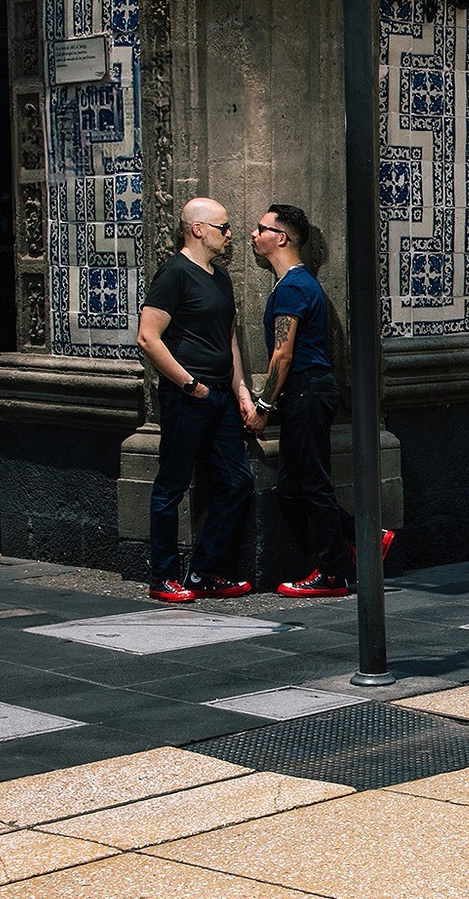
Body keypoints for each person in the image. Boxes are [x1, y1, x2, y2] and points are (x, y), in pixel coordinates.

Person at [248, 205, 390, 596]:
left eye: (261, 228)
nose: (253, 234)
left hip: (307, 390)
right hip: (306, 391)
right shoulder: (296, 283)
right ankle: (364, 536)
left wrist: (262, 407)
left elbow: (283, 353)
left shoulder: (293, 286)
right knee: (293, 485)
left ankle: (333, 573)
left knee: (313, 482)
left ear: (282, 238)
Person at [136, 198, 257, 603]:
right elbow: (148, 338)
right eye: (223, 227)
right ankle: (163, 576)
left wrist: (241, 390)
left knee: (238, 479)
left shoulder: (220, 277)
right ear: (198, 229)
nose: (229, 235)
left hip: (221, 395)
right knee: (171, 484)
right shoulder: (173, 275)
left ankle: (204, 572)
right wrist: (190, 385)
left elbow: (230, 339)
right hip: (187, 396)